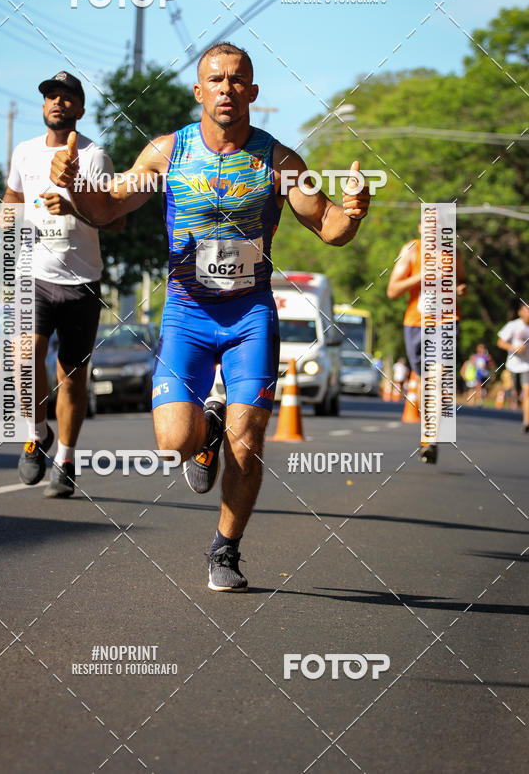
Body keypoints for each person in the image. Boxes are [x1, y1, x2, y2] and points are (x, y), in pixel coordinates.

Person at [50, 41, 370, 591]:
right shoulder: (166, 153)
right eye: (216, 80)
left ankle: (226, 549)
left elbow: (329, 226)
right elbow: (107, 207)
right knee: (173, 443)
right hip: (187, 314)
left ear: (253, 91)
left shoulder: (280, 162)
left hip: (250, 317)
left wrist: (355, 212)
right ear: (199, 91)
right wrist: (74, 183)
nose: (227, 88)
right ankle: (205, 432)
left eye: (237, 79)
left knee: (248, 442)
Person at [1, 71, 122, 497]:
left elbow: (115, 219)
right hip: (33, 275)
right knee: (24, 359)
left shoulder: (95, 157)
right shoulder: (24, 152)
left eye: (67, 97)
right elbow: (13, 198)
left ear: (80, 109)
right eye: (51, 96)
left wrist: (71, 207)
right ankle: (36, 434)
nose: (58, 102)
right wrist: (8, 219)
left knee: (71, 376)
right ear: (43, 106)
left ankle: (66, 459)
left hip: (81, 280)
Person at [387, 224, 467, 464]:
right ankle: (427, 436)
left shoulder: (454, 253)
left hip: (446, 321)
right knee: (424, 380)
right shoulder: (412, 250)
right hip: (416, 323)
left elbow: (463, 281)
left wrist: (461, 288)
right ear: (422, 227)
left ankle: (431, 439)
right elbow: (392, 291)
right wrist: (423, 276)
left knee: (437, 376)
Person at [497, 303, 529, 432]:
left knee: (527, 392)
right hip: (513, 365)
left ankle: (526, 421)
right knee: (516, 393)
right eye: (527, 310)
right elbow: (500, 342)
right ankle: (517, 399)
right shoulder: (513, 325)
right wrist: (514, 348)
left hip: (527, 365)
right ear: (520, 312)